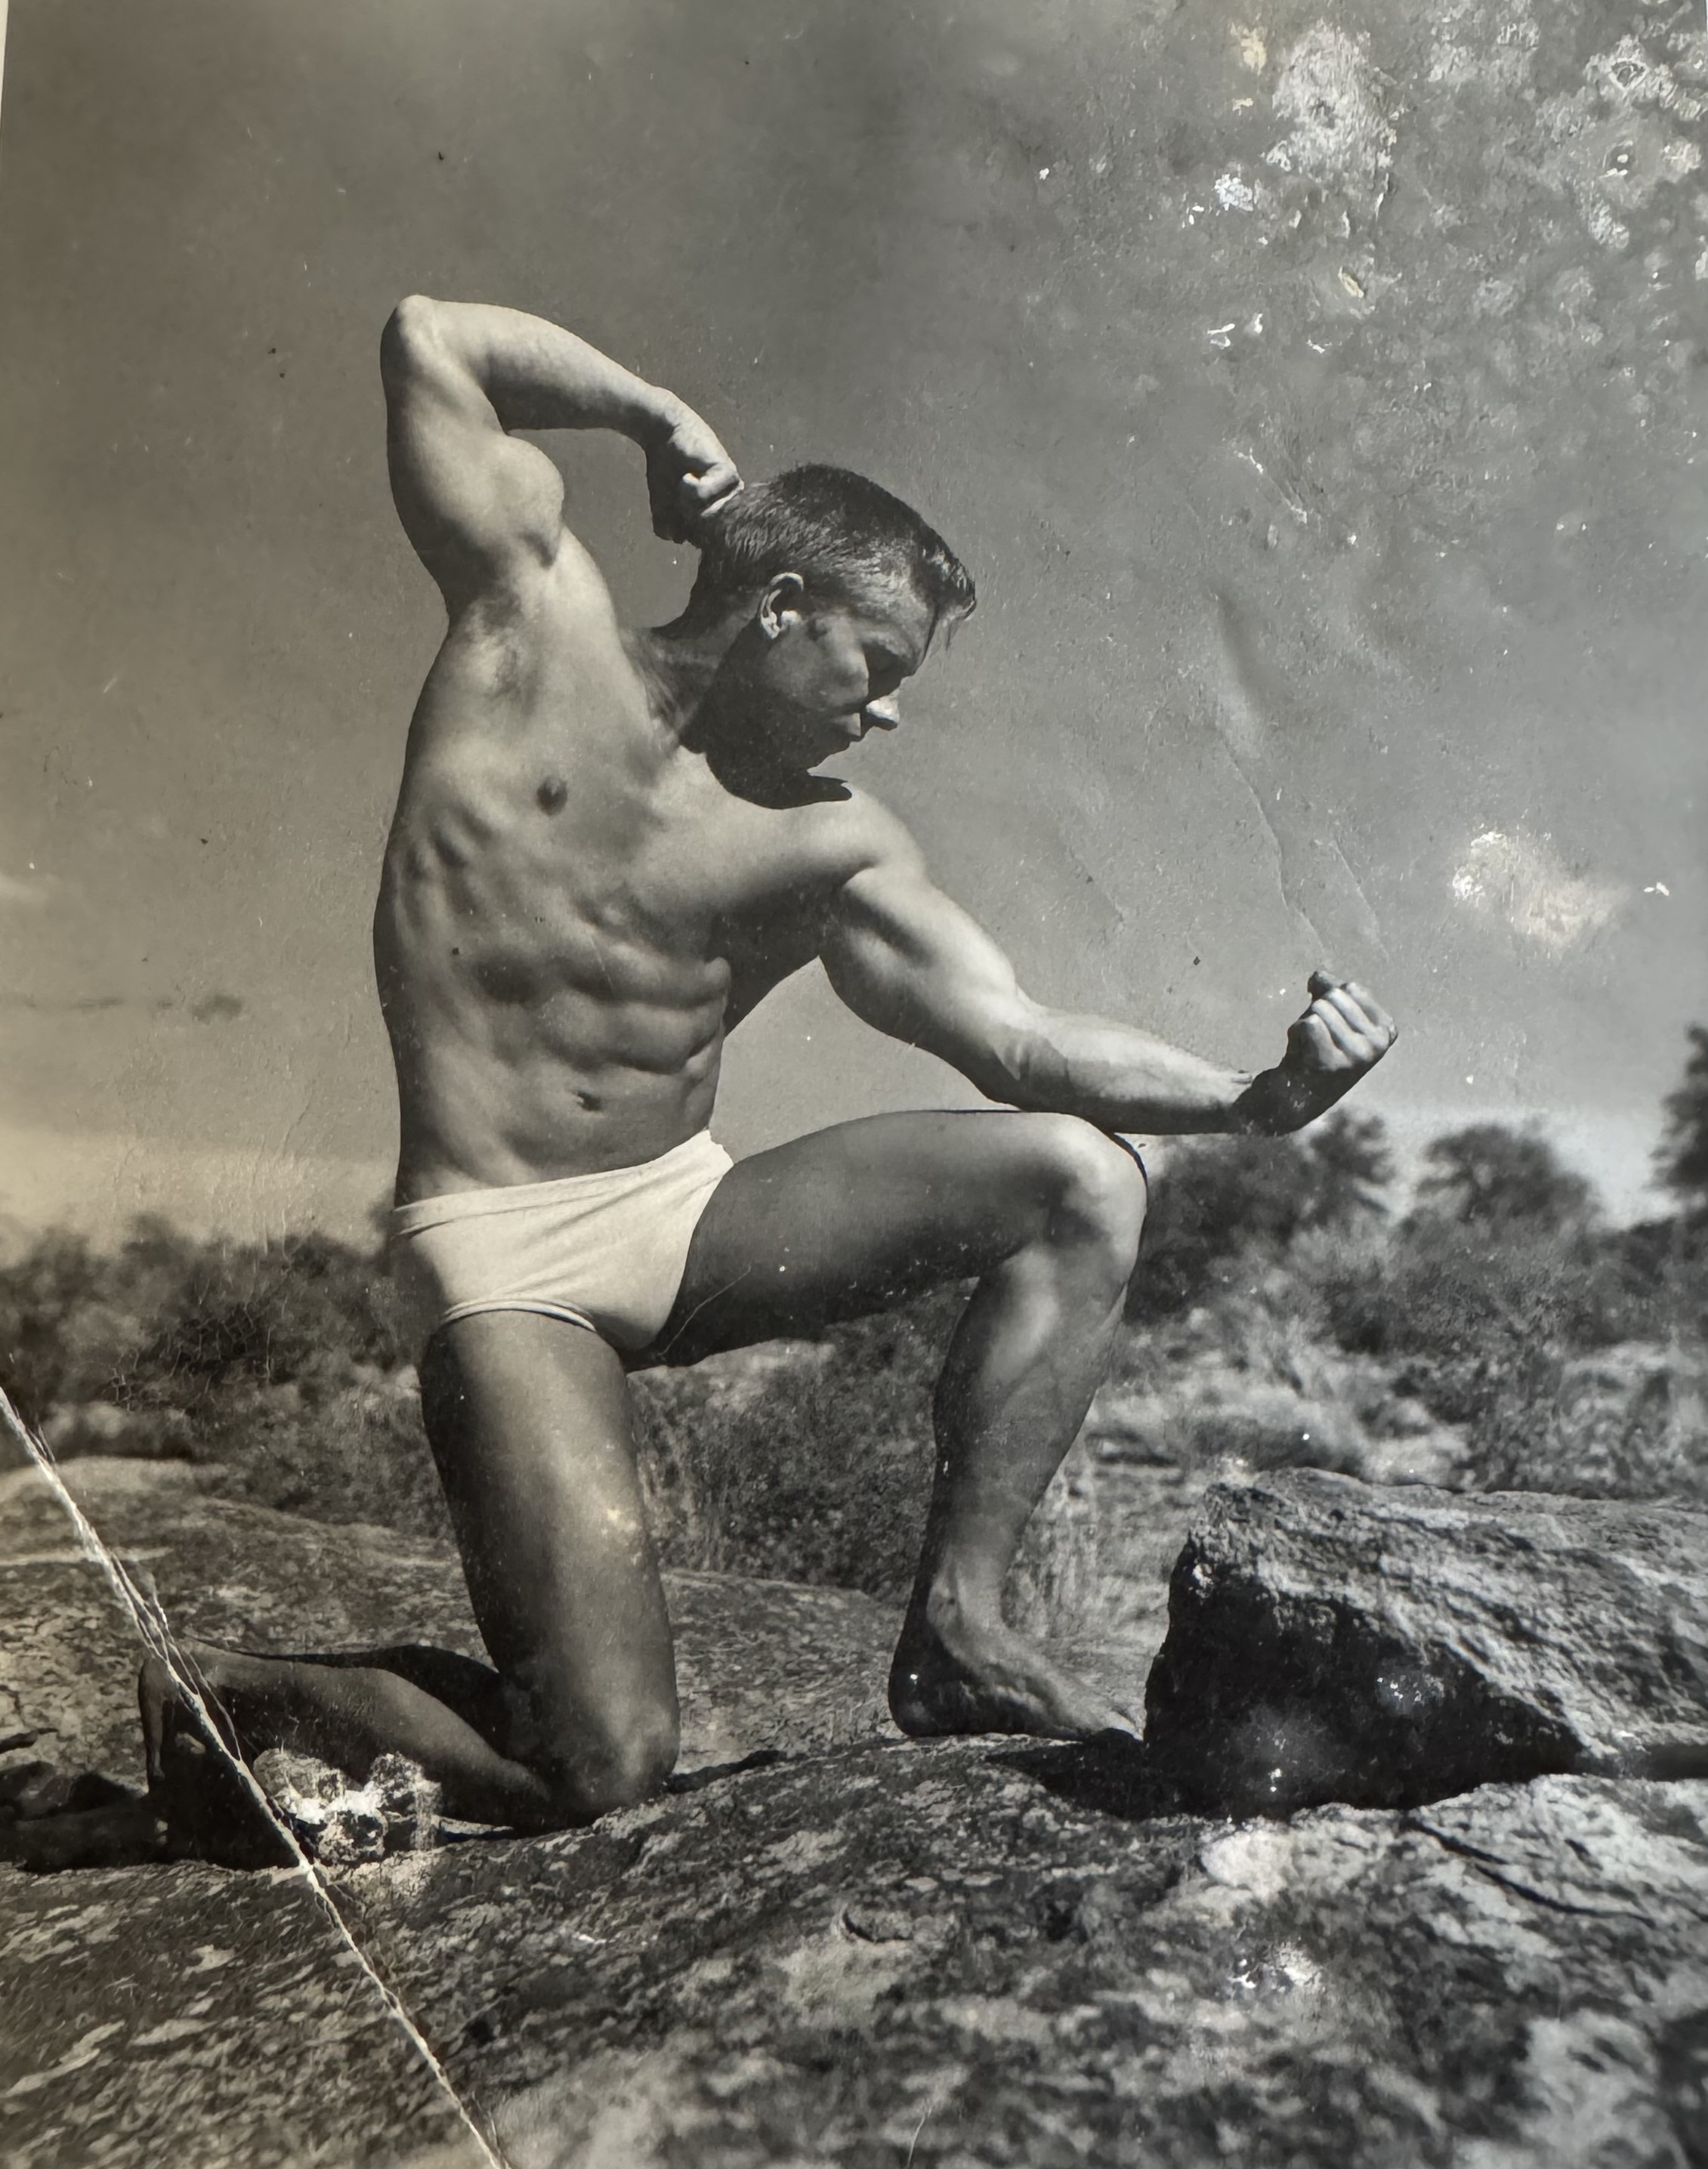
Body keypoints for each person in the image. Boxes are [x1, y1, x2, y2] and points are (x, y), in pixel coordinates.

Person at [143, 298, 1396, 1843]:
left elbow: (1014, 1040)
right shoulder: (528, 626)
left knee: (1079, 1173)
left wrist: (1255, 1099)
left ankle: (960, 1631)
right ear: (782, 606)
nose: (887, 710)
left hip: (682, 1220)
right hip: (493, 1253)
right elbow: (427, 343)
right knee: (595, 1767)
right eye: (876, 665)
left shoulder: (831, 841)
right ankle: (224, 1688)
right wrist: (652, 412)